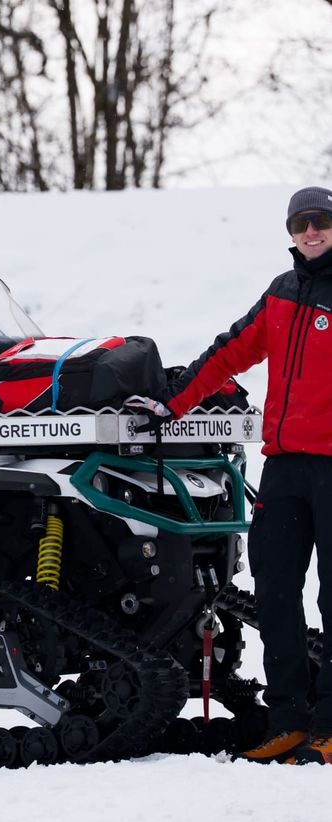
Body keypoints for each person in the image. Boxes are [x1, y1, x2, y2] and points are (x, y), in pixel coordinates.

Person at [127, 186, 332, 765]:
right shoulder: (283, 293)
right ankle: (289, 718)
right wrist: (171, 403)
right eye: (300, 223)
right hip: (286, 465)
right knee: (274, 593)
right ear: (290, 232)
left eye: (320, 222)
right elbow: (229, 352)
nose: (311, 232)